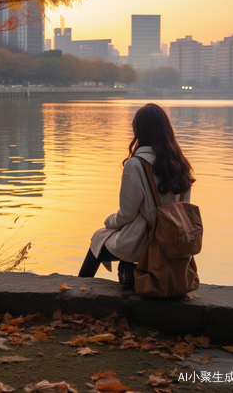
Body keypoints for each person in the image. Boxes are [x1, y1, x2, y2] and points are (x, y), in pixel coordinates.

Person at [78, 103, 195, 286]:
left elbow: (127, 214)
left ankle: (77, 291)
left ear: (139, 130)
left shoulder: (136, 164)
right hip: (174, 241)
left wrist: (109, 222)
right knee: (108, 238)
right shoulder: (180, 164)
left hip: (146, 241)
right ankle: (129, 271)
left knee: (98, 238)